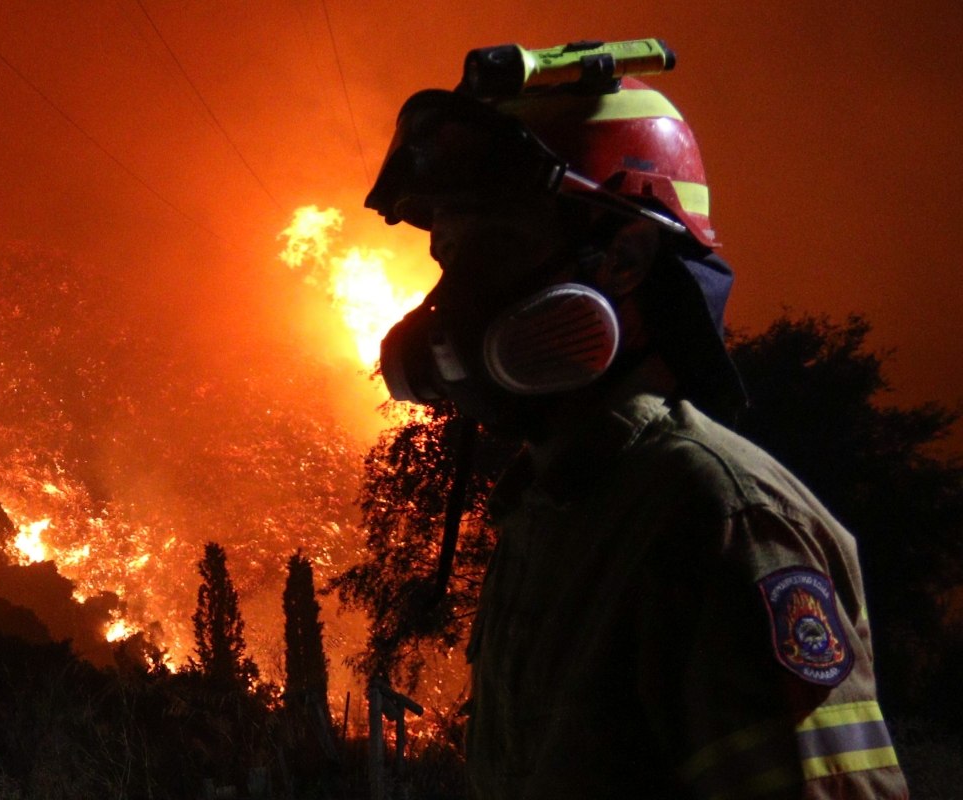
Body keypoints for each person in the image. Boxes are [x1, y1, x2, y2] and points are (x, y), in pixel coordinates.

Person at [363, 44, 909, 799]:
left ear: (624, 256)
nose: (454, 294)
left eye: (494, 242)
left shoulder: (720, 518)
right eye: (449, 251)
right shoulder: (555, 505)